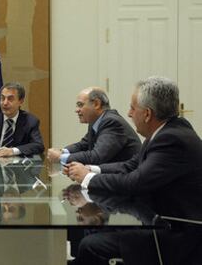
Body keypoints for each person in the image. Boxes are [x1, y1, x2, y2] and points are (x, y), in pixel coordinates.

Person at [65, 76, 202, 265]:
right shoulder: (166, 131)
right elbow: (130, 165)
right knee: (92, 228)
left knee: (90, 244)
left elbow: (135, 182)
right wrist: (91, 169)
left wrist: (87, 178)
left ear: (147, 114)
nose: (128, 114)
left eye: (132, 108)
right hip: (157, 219)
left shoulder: (171, 140)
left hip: (176, 234)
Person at [48, 87, 141, 165]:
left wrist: (61, 158)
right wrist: (62, 151)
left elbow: (97, 156)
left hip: (126, 182)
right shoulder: (96, 121)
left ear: (96, 104)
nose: (76, 110)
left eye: (80, 105)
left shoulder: (112, 122)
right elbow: (83, 145)